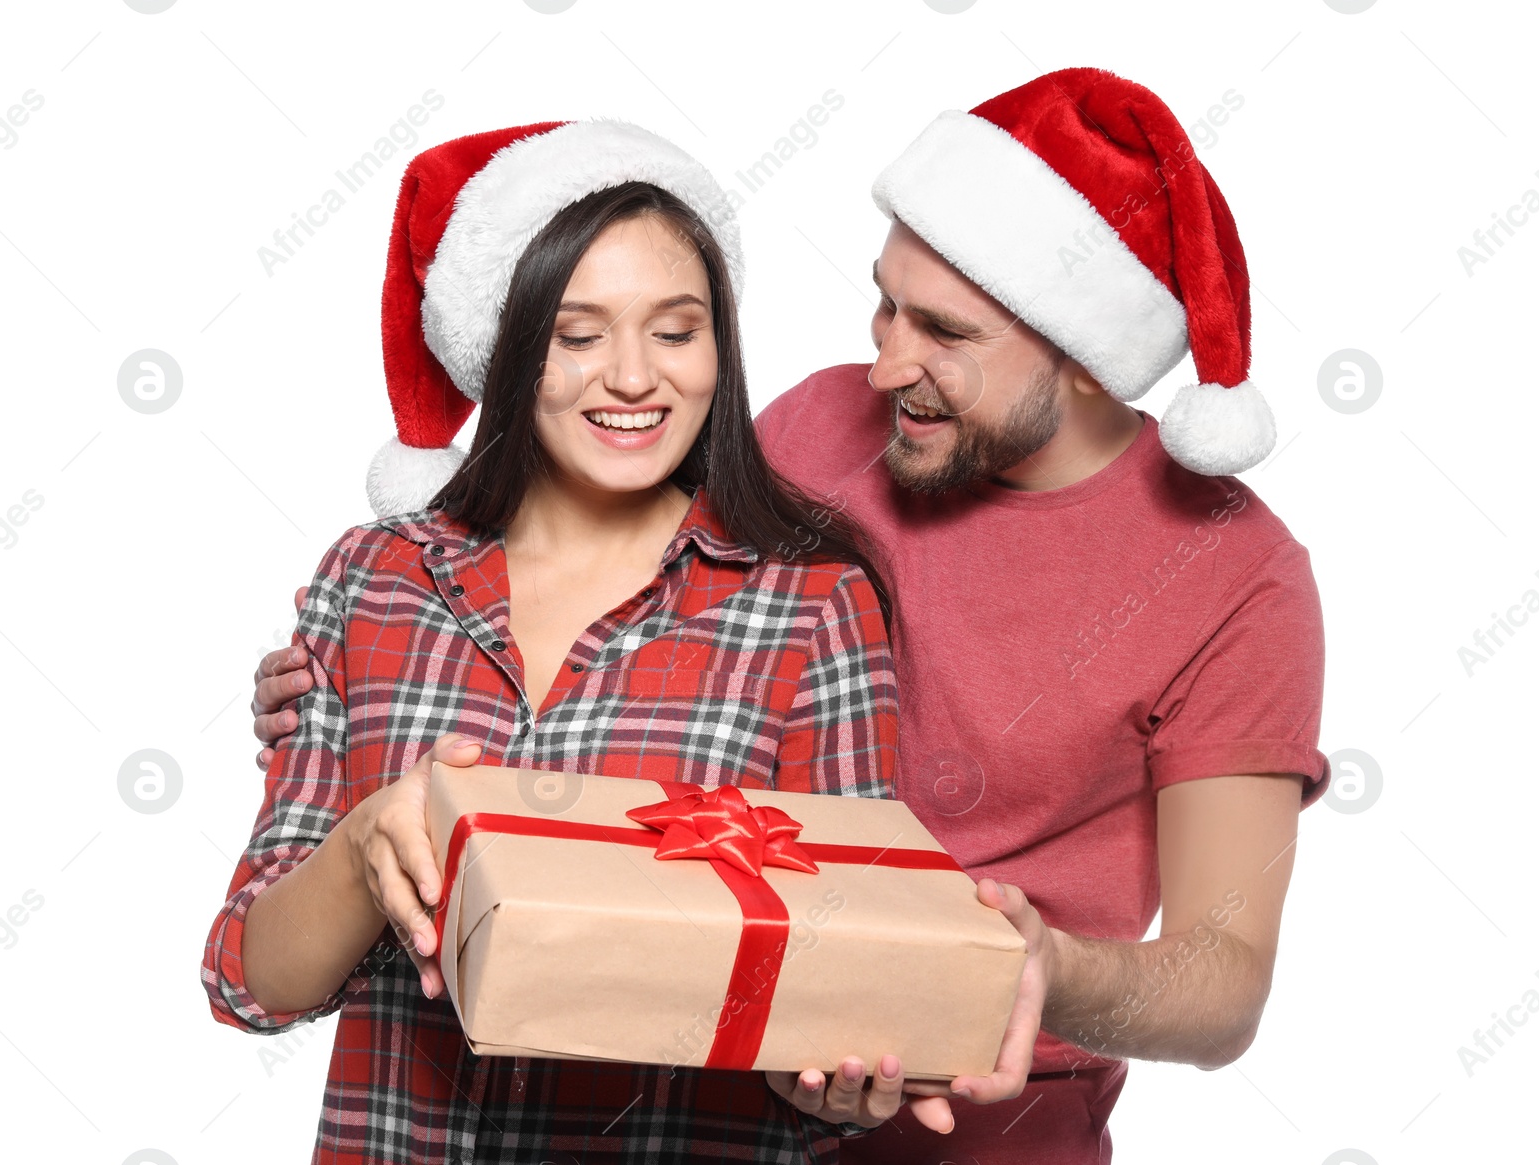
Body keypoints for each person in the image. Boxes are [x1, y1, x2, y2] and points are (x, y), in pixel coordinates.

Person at [254, 68, 1333, 1162]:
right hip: (680, 1081)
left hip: (980, 1116)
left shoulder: (1235, 577)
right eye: (884, 301)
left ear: (1086, 355)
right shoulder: (819, 425)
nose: (884, 361)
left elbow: (1224, 980)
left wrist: (1040, 962)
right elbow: (618, 592)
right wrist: (358, 668)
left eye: (944, 334)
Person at [203, 120, 913, 1165]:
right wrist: (368, 843)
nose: (632, 377)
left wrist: (848, 1082)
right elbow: (246, 981)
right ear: (505, 350)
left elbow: (850, 968)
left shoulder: (810, 608)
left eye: (675, 331)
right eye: (576, 336)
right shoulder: (374, 580)